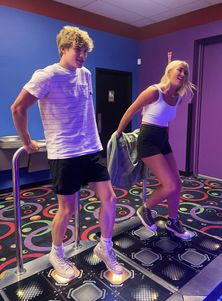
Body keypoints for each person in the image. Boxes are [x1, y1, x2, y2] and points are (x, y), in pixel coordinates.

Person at [11, 25, 123, 278]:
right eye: (78, 50)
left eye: (85, 51)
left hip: (91, 148)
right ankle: (56, 252)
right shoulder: (46, 75)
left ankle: (105, 247)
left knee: (110, 198)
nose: (82, 55)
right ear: (63, 48)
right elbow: (18, 108)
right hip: (64, 152)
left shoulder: (85, 74)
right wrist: (27, 141)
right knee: (67, 209)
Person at [116, 60, 196, 240]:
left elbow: (165, 120)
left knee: (177, 184)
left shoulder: (178, 97)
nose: (183, 74)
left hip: (162, 139)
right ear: (169, 71)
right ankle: (146, 208)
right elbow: (132, 110)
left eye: (186, 72)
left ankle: (173, 222)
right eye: (180, 70)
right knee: (170, 185)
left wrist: (165, 140)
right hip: (148, 139)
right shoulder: (154, 91)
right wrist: (118, 133)